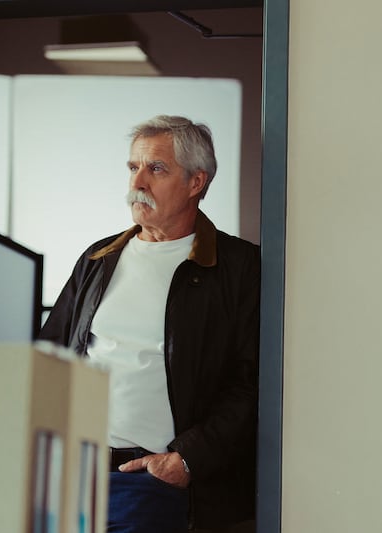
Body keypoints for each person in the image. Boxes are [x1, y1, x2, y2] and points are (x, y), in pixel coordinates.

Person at [39, 115, 259, 533]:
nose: (137, 182)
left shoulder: (239, 267)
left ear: (196, 182)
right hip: (73, 475)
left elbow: (250, 383)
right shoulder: (98, 258)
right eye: (133, 167)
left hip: (152, 483)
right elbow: (50, 357)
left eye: (156, 168)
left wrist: (187, 459)